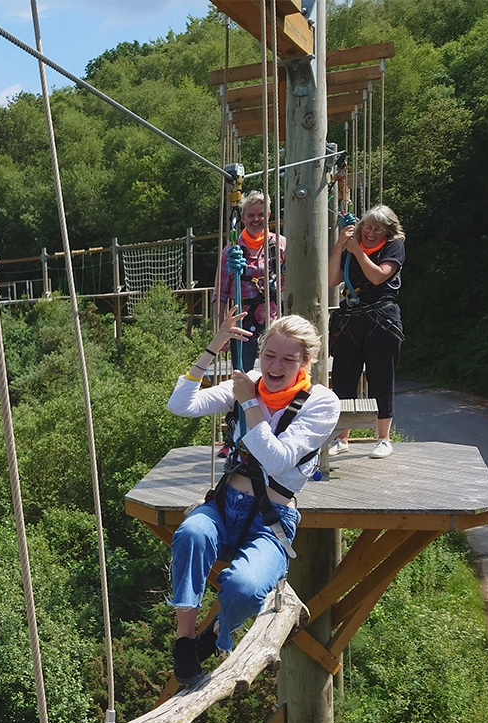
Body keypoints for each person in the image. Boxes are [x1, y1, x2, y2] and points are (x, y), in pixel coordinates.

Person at [166, 307, 339, 686]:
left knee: (245, 588)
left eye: (288, 359)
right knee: (191, 535)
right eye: (269, 356)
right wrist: (213, 347)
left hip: (271, 518)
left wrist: (247, 403)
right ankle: (184, 638)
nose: (275, 367)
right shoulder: (251, 382)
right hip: (225, 505)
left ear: (306, 362)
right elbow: (180, 405)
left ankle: (215, 632)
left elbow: (277, 462)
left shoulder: (322, 403)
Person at [327, 205, 405, 459]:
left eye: (378, 229)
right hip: (350, 319)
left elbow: (378, 276)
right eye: (368, 228)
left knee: (381, 377)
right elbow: (331, 280)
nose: (371, 233)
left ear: (388, 231)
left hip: (380, 318)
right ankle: (342, 437)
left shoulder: (393, 246)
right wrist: (340, 246)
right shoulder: (351, 247)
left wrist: (357, 250)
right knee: (343, 378)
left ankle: (383, 437)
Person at [216, 190, 287, 372]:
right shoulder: (231, 251)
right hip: (244, 322)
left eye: (261, 215)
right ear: (243, 218)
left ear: (268, 215)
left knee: (277, 370)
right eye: (251, 215)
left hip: (274, 320)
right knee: (242, 373)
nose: (256, 219)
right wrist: (221, 331)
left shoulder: (280, 245)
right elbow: (221, 294)